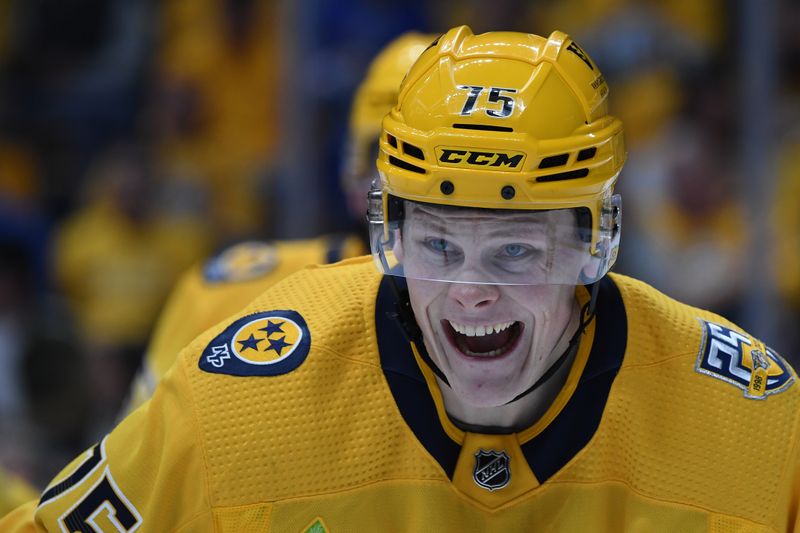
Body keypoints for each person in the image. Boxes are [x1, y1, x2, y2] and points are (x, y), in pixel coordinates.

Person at [3, 25, 799, 531]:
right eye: (440, 244)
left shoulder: (754, 427)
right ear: (386, 230)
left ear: (596, 244)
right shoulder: (249, 399)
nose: (472, 290)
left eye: (517, 249)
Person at [120, 32, 436, 415]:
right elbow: (144, 458)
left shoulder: (511, 317)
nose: (426, 186)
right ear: (351, 173)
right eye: (390, 153)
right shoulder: (227, 295)